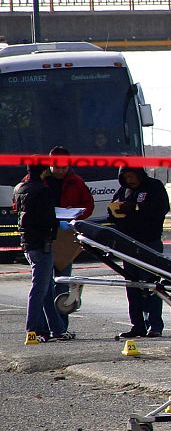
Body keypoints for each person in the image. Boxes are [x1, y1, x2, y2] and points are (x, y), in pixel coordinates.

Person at [109, 164, 170, 340]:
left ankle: (154, 325)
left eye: (132, 176)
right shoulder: (123, 191)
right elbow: (114, 213)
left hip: (149, 242)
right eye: (126, 177)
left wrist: (135, 208)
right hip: (128, 245)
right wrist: (114, 212)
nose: (130, 180)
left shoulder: (154, 186)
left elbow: (160, 209)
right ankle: (138, 325)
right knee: (133, 286)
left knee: (151, 284)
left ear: (139, 174)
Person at [16, 164, 68, 342]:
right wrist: (56, 227)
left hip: (27, 242)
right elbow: (46, 217)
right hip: (42, 243)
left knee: (46, 290)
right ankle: (33, 329)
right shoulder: (42, 190)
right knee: (40, 289)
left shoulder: (20, 188)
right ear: (43, 171)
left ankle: (57, 329)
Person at [48, 146, 94, 336]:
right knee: (44, 285)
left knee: (63, 283)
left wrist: (75, 215)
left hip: (66, 238)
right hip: (45, 236)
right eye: (56, 167)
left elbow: (88, 205)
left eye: (63, 167)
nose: (59, 171)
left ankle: (61, 328)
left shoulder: (76, 182)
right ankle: (48, 327)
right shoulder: (38, 181)